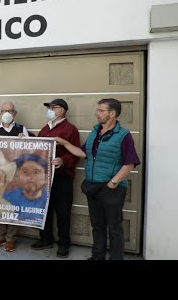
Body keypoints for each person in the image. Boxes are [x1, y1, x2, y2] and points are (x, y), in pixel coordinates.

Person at [55, 98, 140, 260]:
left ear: (112, 114)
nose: (97, 113)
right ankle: (98, 256)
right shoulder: (95, 132)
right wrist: (65, 143)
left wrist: (113, 183)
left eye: (101, 110)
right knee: (97, 225)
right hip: (92, 186)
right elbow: (83, 153)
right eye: (98, 110)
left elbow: (130, 163)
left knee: (114, 229)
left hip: (111, 189)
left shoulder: (123, 135)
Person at [30, 98, 80, 258]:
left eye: (54, 107)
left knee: (63, 212)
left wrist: (63, 160)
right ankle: (45, 239)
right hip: (44, 178)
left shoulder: (71, 129)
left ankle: (64, 243)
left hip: (62, 177)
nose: (50, 110)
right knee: (44, 209)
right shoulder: (45, 129)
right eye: (49, 107)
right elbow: (37, 148)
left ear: (63, 110)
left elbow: (76, 153)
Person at [0, 100, 29, 252]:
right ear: (0, 113)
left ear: (15, 113)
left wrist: (23, 142)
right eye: (4, 110)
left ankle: (10, 238)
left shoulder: (21, 130)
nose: (7, 114)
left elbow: (30, 152)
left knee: (12, 205)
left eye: (10, 111)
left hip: (15, 175)